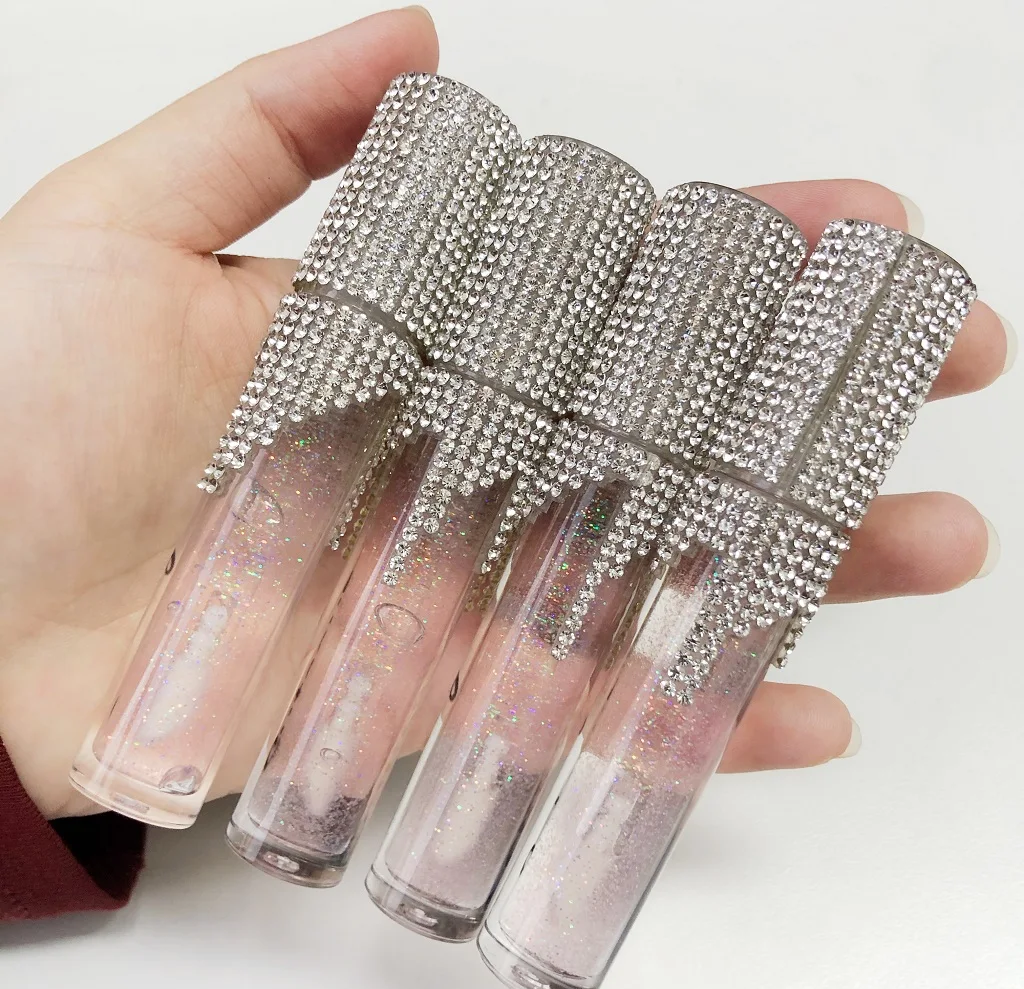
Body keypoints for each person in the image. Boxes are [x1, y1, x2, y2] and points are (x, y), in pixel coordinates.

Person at [0, 6, 1010, 921]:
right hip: (447, 389)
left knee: (566, 668)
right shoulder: (380, 342)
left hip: (638, 462)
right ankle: (278, 812)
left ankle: (477, 899)